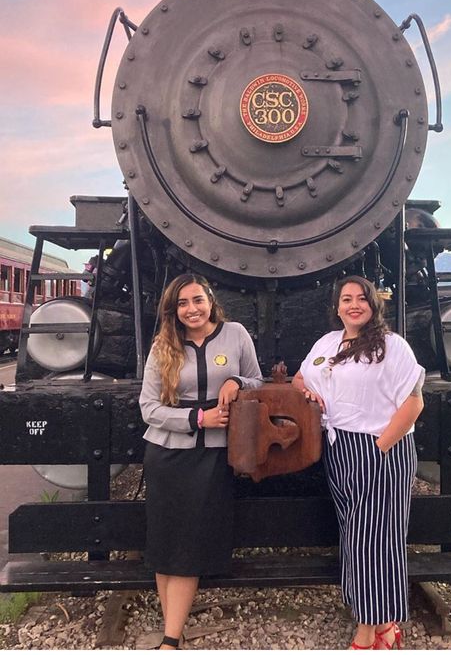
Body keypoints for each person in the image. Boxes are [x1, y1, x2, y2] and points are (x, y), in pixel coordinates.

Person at [293, 276, 426, 650]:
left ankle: (369, 631)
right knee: (356, 537)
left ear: (373, 305)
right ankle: (383, 621)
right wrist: (308, 393)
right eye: (346, 299)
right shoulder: (328, 343)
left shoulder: (392, 346)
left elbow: (414, 402)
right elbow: (302, 376)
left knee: (375, 540)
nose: (354, 305)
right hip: (339, 448)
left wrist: (380, 447)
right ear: (337, 307)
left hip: (379, 447)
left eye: (361, 299)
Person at [138, 273, 264, 650]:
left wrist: (237, 382)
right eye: (182, 303)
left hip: (211, 456)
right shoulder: (164, 345)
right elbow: (148, 407)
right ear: (173, 310)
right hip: (166, 453)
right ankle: (171, 633)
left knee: (187, 545)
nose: (191, 309)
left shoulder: (236, 334)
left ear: (210, 301)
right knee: (164, 543)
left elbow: (258, 380)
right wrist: (196, 419)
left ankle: (170, 639)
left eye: (197, 300)